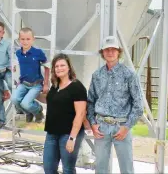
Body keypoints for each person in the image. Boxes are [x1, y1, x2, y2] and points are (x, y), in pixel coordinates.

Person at [86, 36, 143, 174]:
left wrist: (127, 127)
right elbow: (90, 102)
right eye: (107, 50)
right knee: (100, 168)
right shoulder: (97, 75)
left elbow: (138, 104)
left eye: (113, 49)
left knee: (126, 167)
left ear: (119, 52)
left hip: (121, 126)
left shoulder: (129, 74)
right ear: (103, 53)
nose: (110, 52)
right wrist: (93, 124)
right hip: (101, 127)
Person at [43, 54, 87, 174]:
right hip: (52, 133)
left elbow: (80, 114)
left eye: (62, 65)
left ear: (69, 68)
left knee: (68, 169)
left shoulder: (77, 87)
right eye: (56, 66)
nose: (59, 68)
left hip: (69, 134)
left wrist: (72, 138)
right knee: (49, 169)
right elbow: (50, 101)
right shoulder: (55, 86)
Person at [11, 27, 49, 123]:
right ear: (19, 40)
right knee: (14, 99)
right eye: (22, 39)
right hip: (23, 83)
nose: (25, 42)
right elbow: (17, 67)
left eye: (28, 39)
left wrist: (46, 84)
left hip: (36, 85)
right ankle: (28, 113)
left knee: (26, 103)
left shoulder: (38, 53)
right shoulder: (18, 53)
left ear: (33, 40)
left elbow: (47, 67)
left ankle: (38, 110)